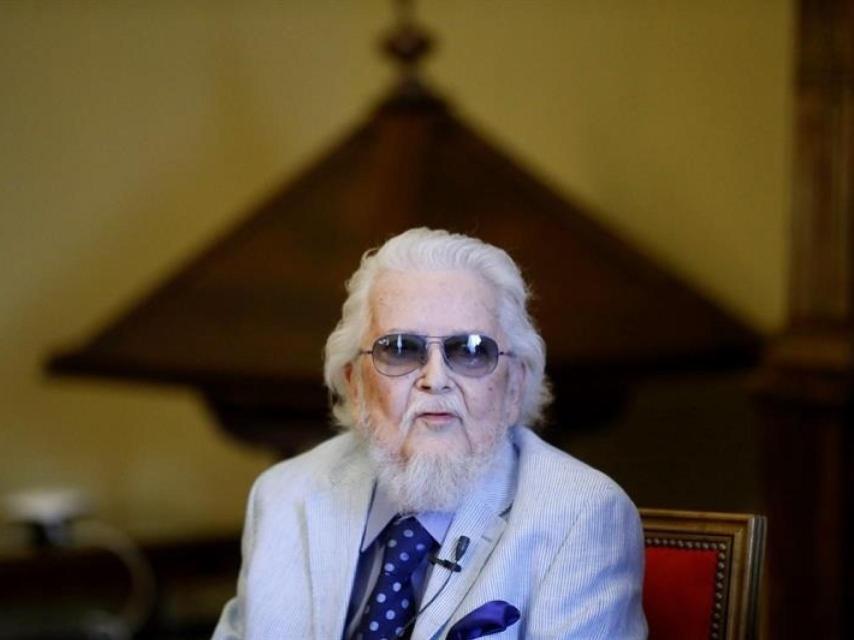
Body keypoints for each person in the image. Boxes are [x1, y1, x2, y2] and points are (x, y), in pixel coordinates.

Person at [213, 228, 646, 640]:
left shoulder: (582, 518)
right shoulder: (284, 497)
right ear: (355, 386)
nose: (435, 379)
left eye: (471, 351)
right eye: (401, 349)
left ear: (514, 386)